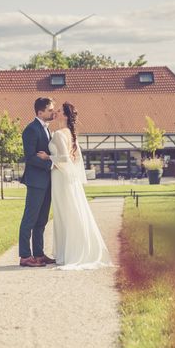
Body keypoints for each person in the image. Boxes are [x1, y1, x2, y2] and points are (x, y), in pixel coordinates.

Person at [37, 102, 113, 270]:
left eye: (58, 111)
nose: (55, 112)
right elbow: (75, 159)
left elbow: (64, 158)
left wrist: (47, 157)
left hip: (61, 177)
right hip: (67, 178)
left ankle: (68, 254)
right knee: (70, 212)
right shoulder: (70, 133)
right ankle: (71, 251)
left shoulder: (58, 134)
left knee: (64, 214)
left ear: (65, 115)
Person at [18, 97, 57, 267]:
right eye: (50, 110)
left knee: (42, 220)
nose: (53, 112)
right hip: (36, 181)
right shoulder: (31, 130)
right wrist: (50, 164)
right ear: (40, 112)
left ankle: (39, 254)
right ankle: (25, 256)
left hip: (47, 182)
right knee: (30, 219)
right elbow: (30, 157)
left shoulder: (47, 129)